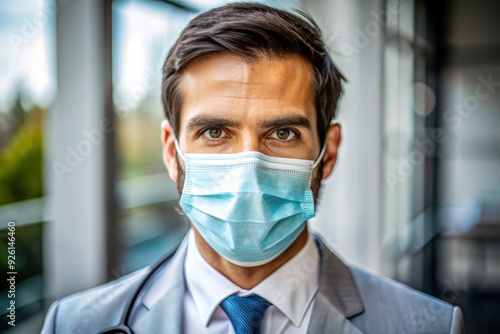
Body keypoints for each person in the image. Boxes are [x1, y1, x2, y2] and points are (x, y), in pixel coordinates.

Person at [41, 3, 464, 333]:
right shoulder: (76, 325)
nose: (248, 165)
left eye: (282, 134)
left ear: (328, 153)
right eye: (214, 132)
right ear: (172, 153)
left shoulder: (428, 326)